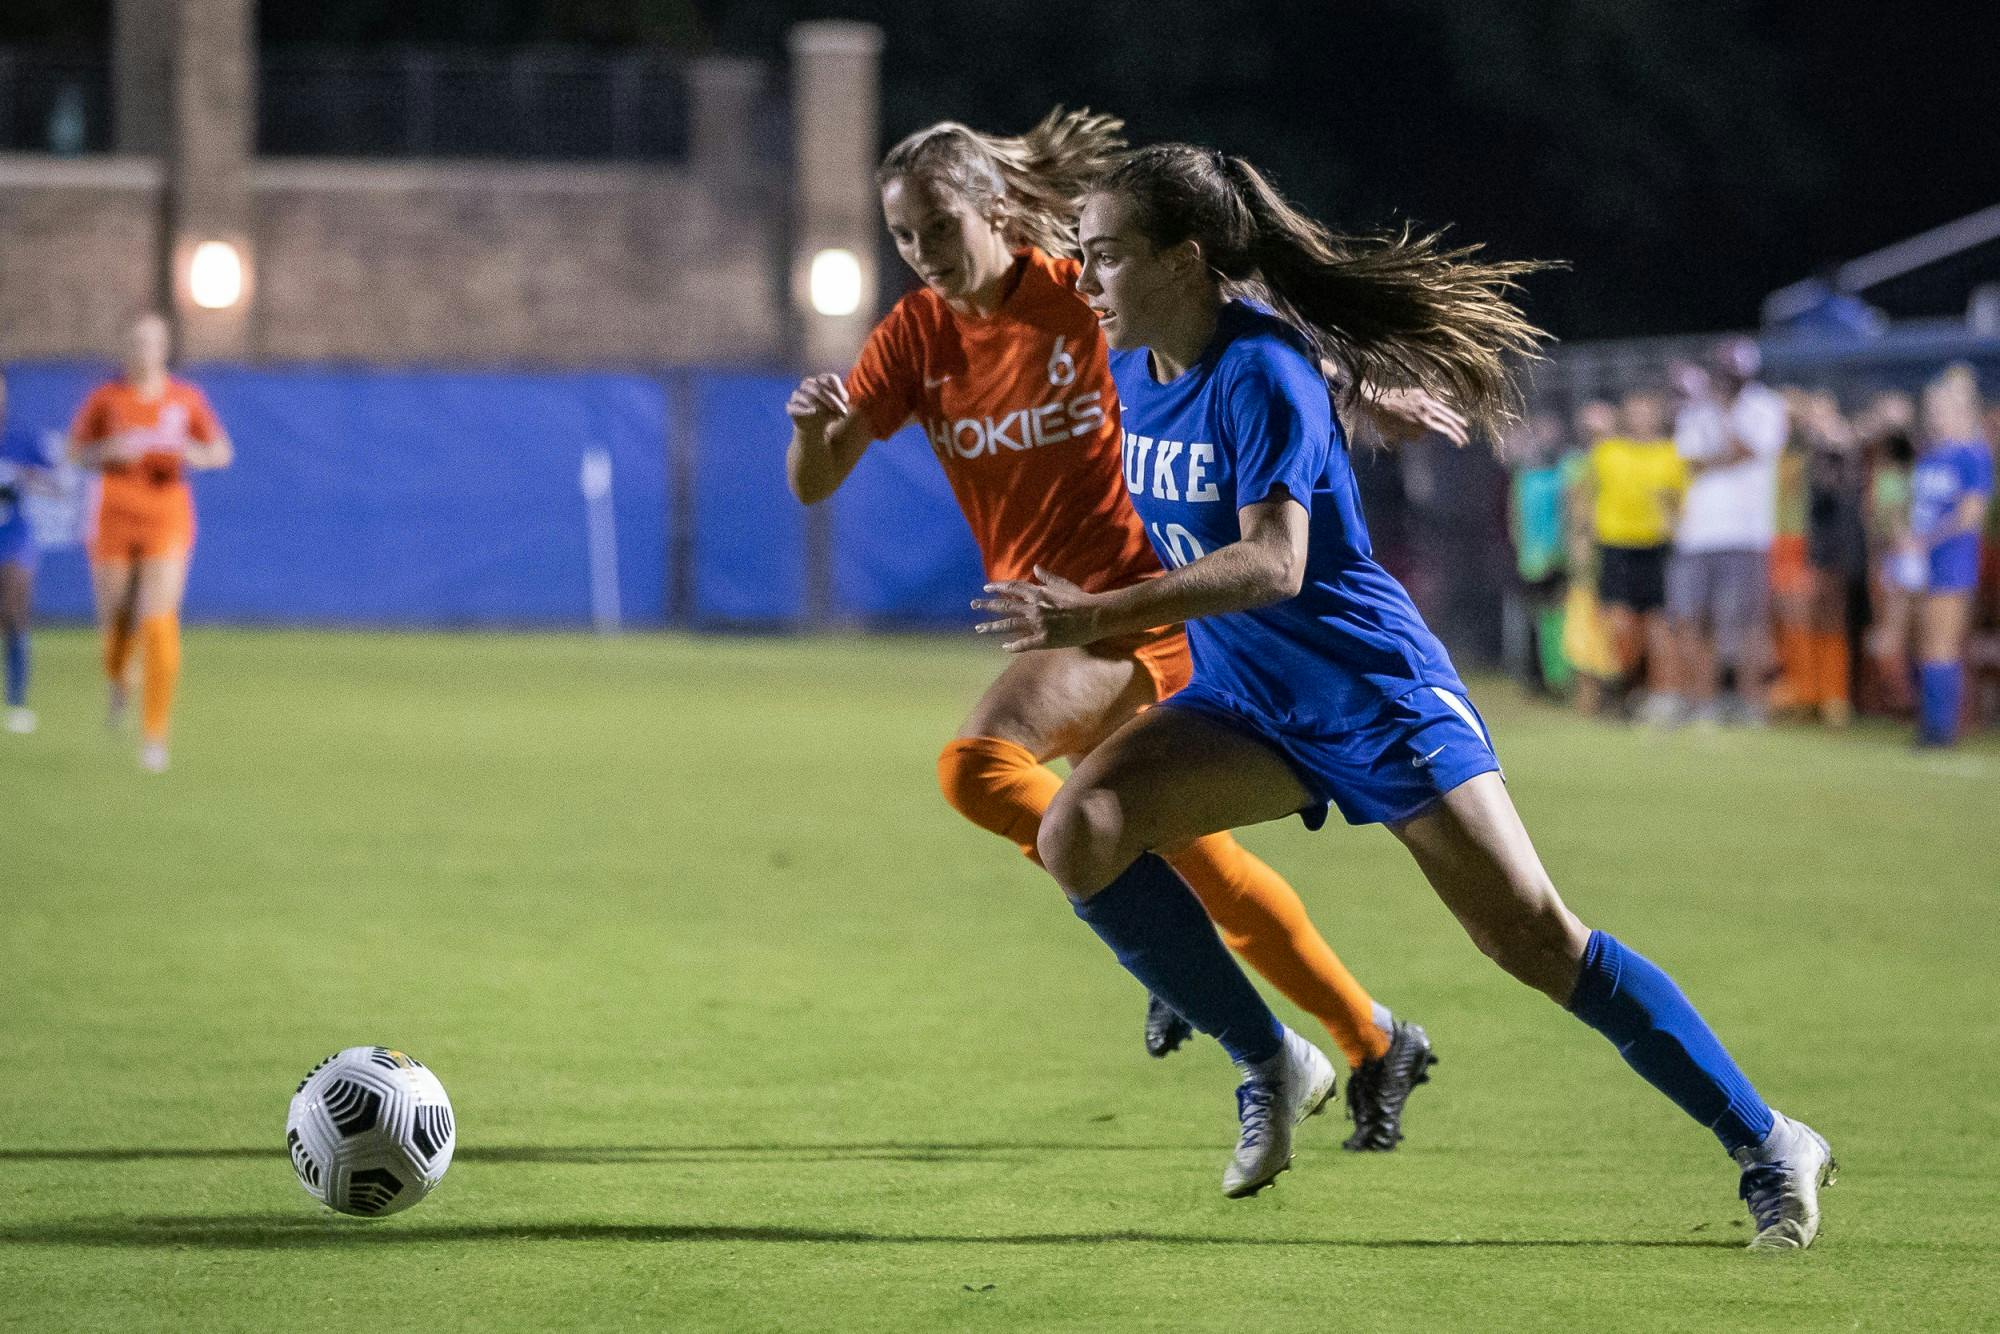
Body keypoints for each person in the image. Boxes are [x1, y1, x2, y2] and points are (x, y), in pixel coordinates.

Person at [978, 143, 1833, 1246]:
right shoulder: (1139, 360)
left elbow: (1275, 563)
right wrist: (1361, 397)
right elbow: (1282, 399)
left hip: (1371, 695)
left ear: (1184, 262)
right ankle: (1271, 1057)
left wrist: (1094, 613)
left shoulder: (1259, 367)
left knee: (1533, 940)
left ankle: (1767, 1138)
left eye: (1103, 258)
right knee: (1079, 827)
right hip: (1248, 696)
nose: (1085, 280)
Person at [783, 111, 1443, 1157]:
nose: (922, 254)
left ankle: (1172, 956)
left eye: (938, 226)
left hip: (1137, 604)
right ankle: (1370, 1035)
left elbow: (1224, 343)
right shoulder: (915, 334)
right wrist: (814, 429)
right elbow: (816, 483)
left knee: (977, 766)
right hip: (1061, 625)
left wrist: (1360, 397)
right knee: (1198, 863)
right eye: (902, 237)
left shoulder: (1076, 294)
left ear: (993, 208)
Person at [68, 313, 234, 772]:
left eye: (152, 342)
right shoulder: (107, 398)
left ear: (164, 348)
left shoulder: (185, 398)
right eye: (137, 342)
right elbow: (74, 452)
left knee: (158, 617)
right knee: (118, 624)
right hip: (115, 514)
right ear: (127, 349)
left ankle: (155, 734)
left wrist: (197, 454)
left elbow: (221, 450)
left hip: (166, 513)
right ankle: (120, 681)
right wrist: (107, 451)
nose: (144, 351)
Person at [1667, 343, 1789, 727]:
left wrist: (1721, 415)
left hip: (1746, 532)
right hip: (1698, 532)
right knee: (1691, 619)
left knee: (1744, 623)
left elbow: (1746, 451)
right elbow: (1690, 460)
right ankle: (1704, 702)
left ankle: (1750, 705)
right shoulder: (1696, 408)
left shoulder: (1766, 405)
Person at [1584, 388, 1685, 722]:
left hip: (1654, 548)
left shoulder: (1671, 453)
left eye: (1648, 409)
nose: (1642, 416)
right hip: (1615, 545)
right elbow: (1583, 495)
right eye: (1635, 409)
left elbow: (1678, 503)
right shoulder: (1607, 451)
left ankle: (1659, 696)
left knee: (1657, 626)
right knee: (1620, 626)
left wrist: (1671, 519)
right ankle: (1624, 688)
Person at [1906, 365, 1993, 746]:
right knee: (1921, 642)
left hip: (1951, 559)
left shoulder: (1973, 456)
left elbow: (1971, 515)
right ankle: (1928, 720)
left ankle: (1940, 730)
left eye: (1942, 407)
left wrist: (1926, 540)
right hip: (1918, 562)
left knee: (1941, 642)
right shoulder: (1930, 455)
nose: (1934, 414)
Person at [1798, 392, 1869, 726]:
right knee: (1818, 619)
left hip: (1842, 548)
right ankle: (1816, 692)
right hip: (1822, 546)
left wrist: (1835, 443)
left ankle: (1836, 694)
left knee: (1836, 620)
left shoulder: (1840, 451)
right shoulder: (1817, 452)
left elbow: (1840, 489)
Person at [1, 370, 55, 735]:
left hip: (13, 535)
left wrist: (25, 477)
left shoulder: (21, 438)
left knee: (13, 611)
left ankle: (17, 700)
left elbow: (59, 484)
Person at [1860, 392, 1919, 714]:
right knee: (1888, 636)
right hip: (1887, 555)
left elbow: (1895, 518)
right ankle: (1900, 702)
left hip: (1903, 555)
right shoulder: (1879, 467)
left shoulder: (1907, 468)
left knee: (1896, 636)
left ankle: (1908, 702)